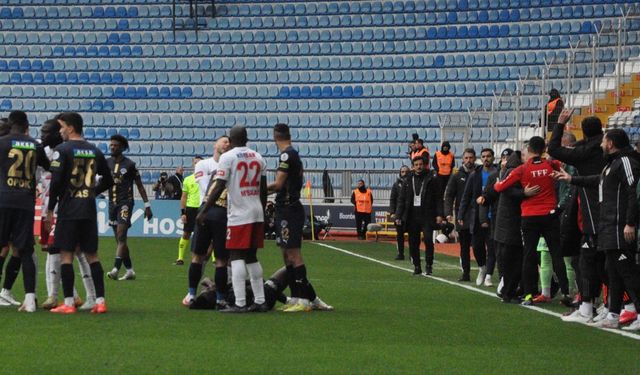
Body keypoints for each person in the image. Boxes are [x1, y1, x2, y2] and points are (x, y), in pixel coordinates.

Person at [555, 128, 640, 330]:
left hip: (620, 227)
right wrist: (571, 179)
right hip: (608, 227)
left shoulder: (626, 162)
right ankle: (613, 313)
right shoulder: (611, 165)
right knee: (611, 271)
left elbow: (632, 192)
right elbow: (597, 181)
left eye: (603, 141)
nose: (601, 144)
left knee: (627, 272)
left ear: (611, 143)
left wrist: (630, 222)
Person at [46, 112, 114, 314]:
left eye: (61, 127)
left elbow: (57, 182)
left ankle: (68, 303)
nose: (60, 131)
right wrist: (92, 192)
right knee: (92, 255)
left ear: (71, 128)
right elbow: (108, 179)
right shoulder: (94, 150)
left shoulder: (62, 150)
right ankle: (100, 301)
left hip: (69, 209)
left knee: (66, 254)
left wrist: (50, 209)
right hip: (88, 209)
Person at [196, 125, 267, 313]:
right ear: (247, 138)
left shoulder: (228, 157)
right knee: (251, 256)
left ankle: (240, 303)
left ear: (232, 139)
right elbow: (264, 189)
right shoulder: (259, 157)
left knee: (235, 256)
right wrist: (264, 213)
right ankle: (260, 301)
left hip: (239, 213)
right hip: (256, 211)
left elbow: (219, 186)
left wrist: (204, 210)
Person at [494, 136, 571, 306]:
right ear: (544, 149)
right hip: (550, 215)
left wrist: (498, 182)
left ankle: (528, 295)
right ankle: (566, 293)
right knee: (556, 254)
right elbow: (562, 168)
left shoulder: (522, 169)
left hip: (529, 216)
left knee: (529, 255)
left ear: (529, 149)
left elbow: (500, 188)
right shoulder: (551, 165)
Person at [548, 109, 607, 322]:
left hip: (591, 212)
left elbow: (554, 148)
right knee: (602, 261)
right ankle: (610, 305)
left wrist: (561, 123)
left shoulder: (584, 154)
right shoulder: (604, 150)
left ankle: (588, 306)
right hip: (606, 210)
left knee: (586, 260)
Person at [268, 123, 333, 312]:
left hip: (289, 209)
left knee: (294, 254)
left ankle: (304, 300)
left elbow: (279, 184)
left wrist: (258, 188)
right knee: (287, 255)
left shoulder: (287, 155)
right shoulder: (292, 155)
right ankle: (298, 297)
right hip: (284, 209)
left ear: (274, 137)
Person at [38, 119, 94, 310]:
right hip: (48, 209)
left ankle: (59, 296)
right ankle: (74, 296)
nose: (42, 136)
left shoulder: (68, 152)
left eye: (46, 132)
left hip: (67, 209)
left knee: (68, 250)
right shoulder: (43, 153)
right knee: (55, 251)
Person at [0, 111, 50, 312]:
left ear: (11, 125)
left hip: (3, 199)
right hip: (25, 202)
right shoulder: (35, 145)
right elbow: (48, 167)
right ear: (26, 125)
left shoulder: (2, 143)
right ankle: (30, 299)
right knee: (25, 250)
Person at [182, 137, 230, 307]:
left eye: (228, 142)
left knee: (221, 258)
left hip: (220, 212)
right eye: (223, 141)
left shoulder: (230, 163)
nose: (226, 144)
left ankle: (220, 294)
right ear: (214, 145)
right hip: (207, 210)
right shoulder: (203, 165)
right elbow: (204, 188)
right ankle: (193, 293)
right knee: (201, 255)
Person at [105, 134, 153, 281]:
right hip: (112, 203)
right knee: (119, 239)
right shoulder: (106, 163)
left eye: (115, 145)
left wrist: (147, 205)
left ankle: (115, 269)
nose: (112, 147)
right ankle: (130, 270)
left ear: (122, 148)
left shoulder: (130, 165)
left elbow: (139, 185)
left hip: (126, 202)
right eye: (111, 145)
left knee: (121, 235)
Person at [481, 151, 524, 302]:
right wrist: (525, 192)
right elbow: (496, 191)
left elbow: (496, 191)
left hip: (503, 222)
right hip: (508, 222)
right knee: (509, 257)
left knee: (505, 256)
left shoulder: (505, 174)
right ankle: (508, 288)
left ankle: (508, 287)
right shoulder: (511, 174)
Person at [395, 156, 443, 275]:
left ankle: (429, 264)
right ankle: (417, 266)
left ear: (424, 165)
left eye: (420, 164)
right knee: (413, 242)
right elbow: (401, 199)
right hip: (412, 216)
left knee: (428, 240)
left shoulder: (431, 178)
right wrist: (398, 216)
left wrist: (439, 214)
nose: (419, 167)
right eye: (416, 164)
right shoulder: (408, 180)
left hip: (427, 214)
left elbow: (438, 198)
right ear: (413, 166)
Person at [458, 148, 497, 286]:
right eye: (484, 156)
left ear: (493, 157)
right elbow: (466, 196)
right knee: (477, 246)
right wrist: (461, 214)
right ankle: (482, 267)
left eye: (488, 156)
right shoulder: (475, 174)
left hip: (494, 215)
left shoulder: (498, 173)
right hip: (477, 217)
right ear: (481, 158)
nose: (486, 158)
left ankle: (489, 276)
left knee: (492, 247)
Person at [444, 148, 476, 281]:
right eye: (466, 158)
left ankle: (485, 270)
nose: (468, 160)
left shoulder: (478, 173)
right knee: (464, 246)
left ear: (474, 158)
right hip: (462, 216)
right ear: (462, 159)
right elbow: (449, 195)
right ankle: (466, 273)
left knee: (479, 245)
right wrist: (448, 213)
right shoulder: (456, 176)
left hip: (478, 215)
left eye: (471, 158)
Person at [175, 156, 203, 266]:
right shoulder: (188, 179)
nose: (197, 165)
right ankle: (180, 258)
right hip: (191, 209)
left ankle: (215, 259)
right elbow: (184, 197)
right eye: (195, 163)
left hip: (203, 208)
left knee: (209, 235)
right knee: (186, 233)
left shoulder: (208, 178)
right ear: (193, 165)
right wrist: (183, 212)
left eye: (199, 163)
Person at [390, 166, 410, 260]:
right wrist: (393, 212)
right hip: (399, 214)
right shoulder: (396, 185)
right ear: (400, 173)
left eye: (406, 171)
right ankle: (400, 254)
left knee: (413, 236)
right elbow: (393, 199)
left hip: (411, 213)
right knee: (400, 235)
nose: (404, 173)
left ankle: (413, 254)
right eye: (402, 171)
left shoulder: (413, 183)